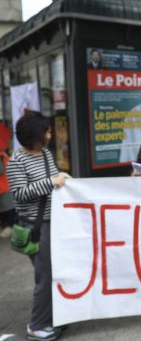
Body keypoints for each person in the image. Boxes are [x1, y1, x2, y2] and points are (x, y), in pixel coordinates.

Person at [7, 111, 68, 341]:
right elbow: (20, 194)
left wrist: (62, 179)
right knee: (45, 274)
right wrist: (51, 182)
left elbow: (54, 180)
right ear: (35, 135)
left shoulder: (45, 154)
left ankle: (54, 317)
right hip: (35, 225)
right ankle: (36, 325)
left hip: (55, 222)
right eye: (47, 131)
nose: (51, 134)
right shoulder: (16, 161)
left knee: (55, 272)